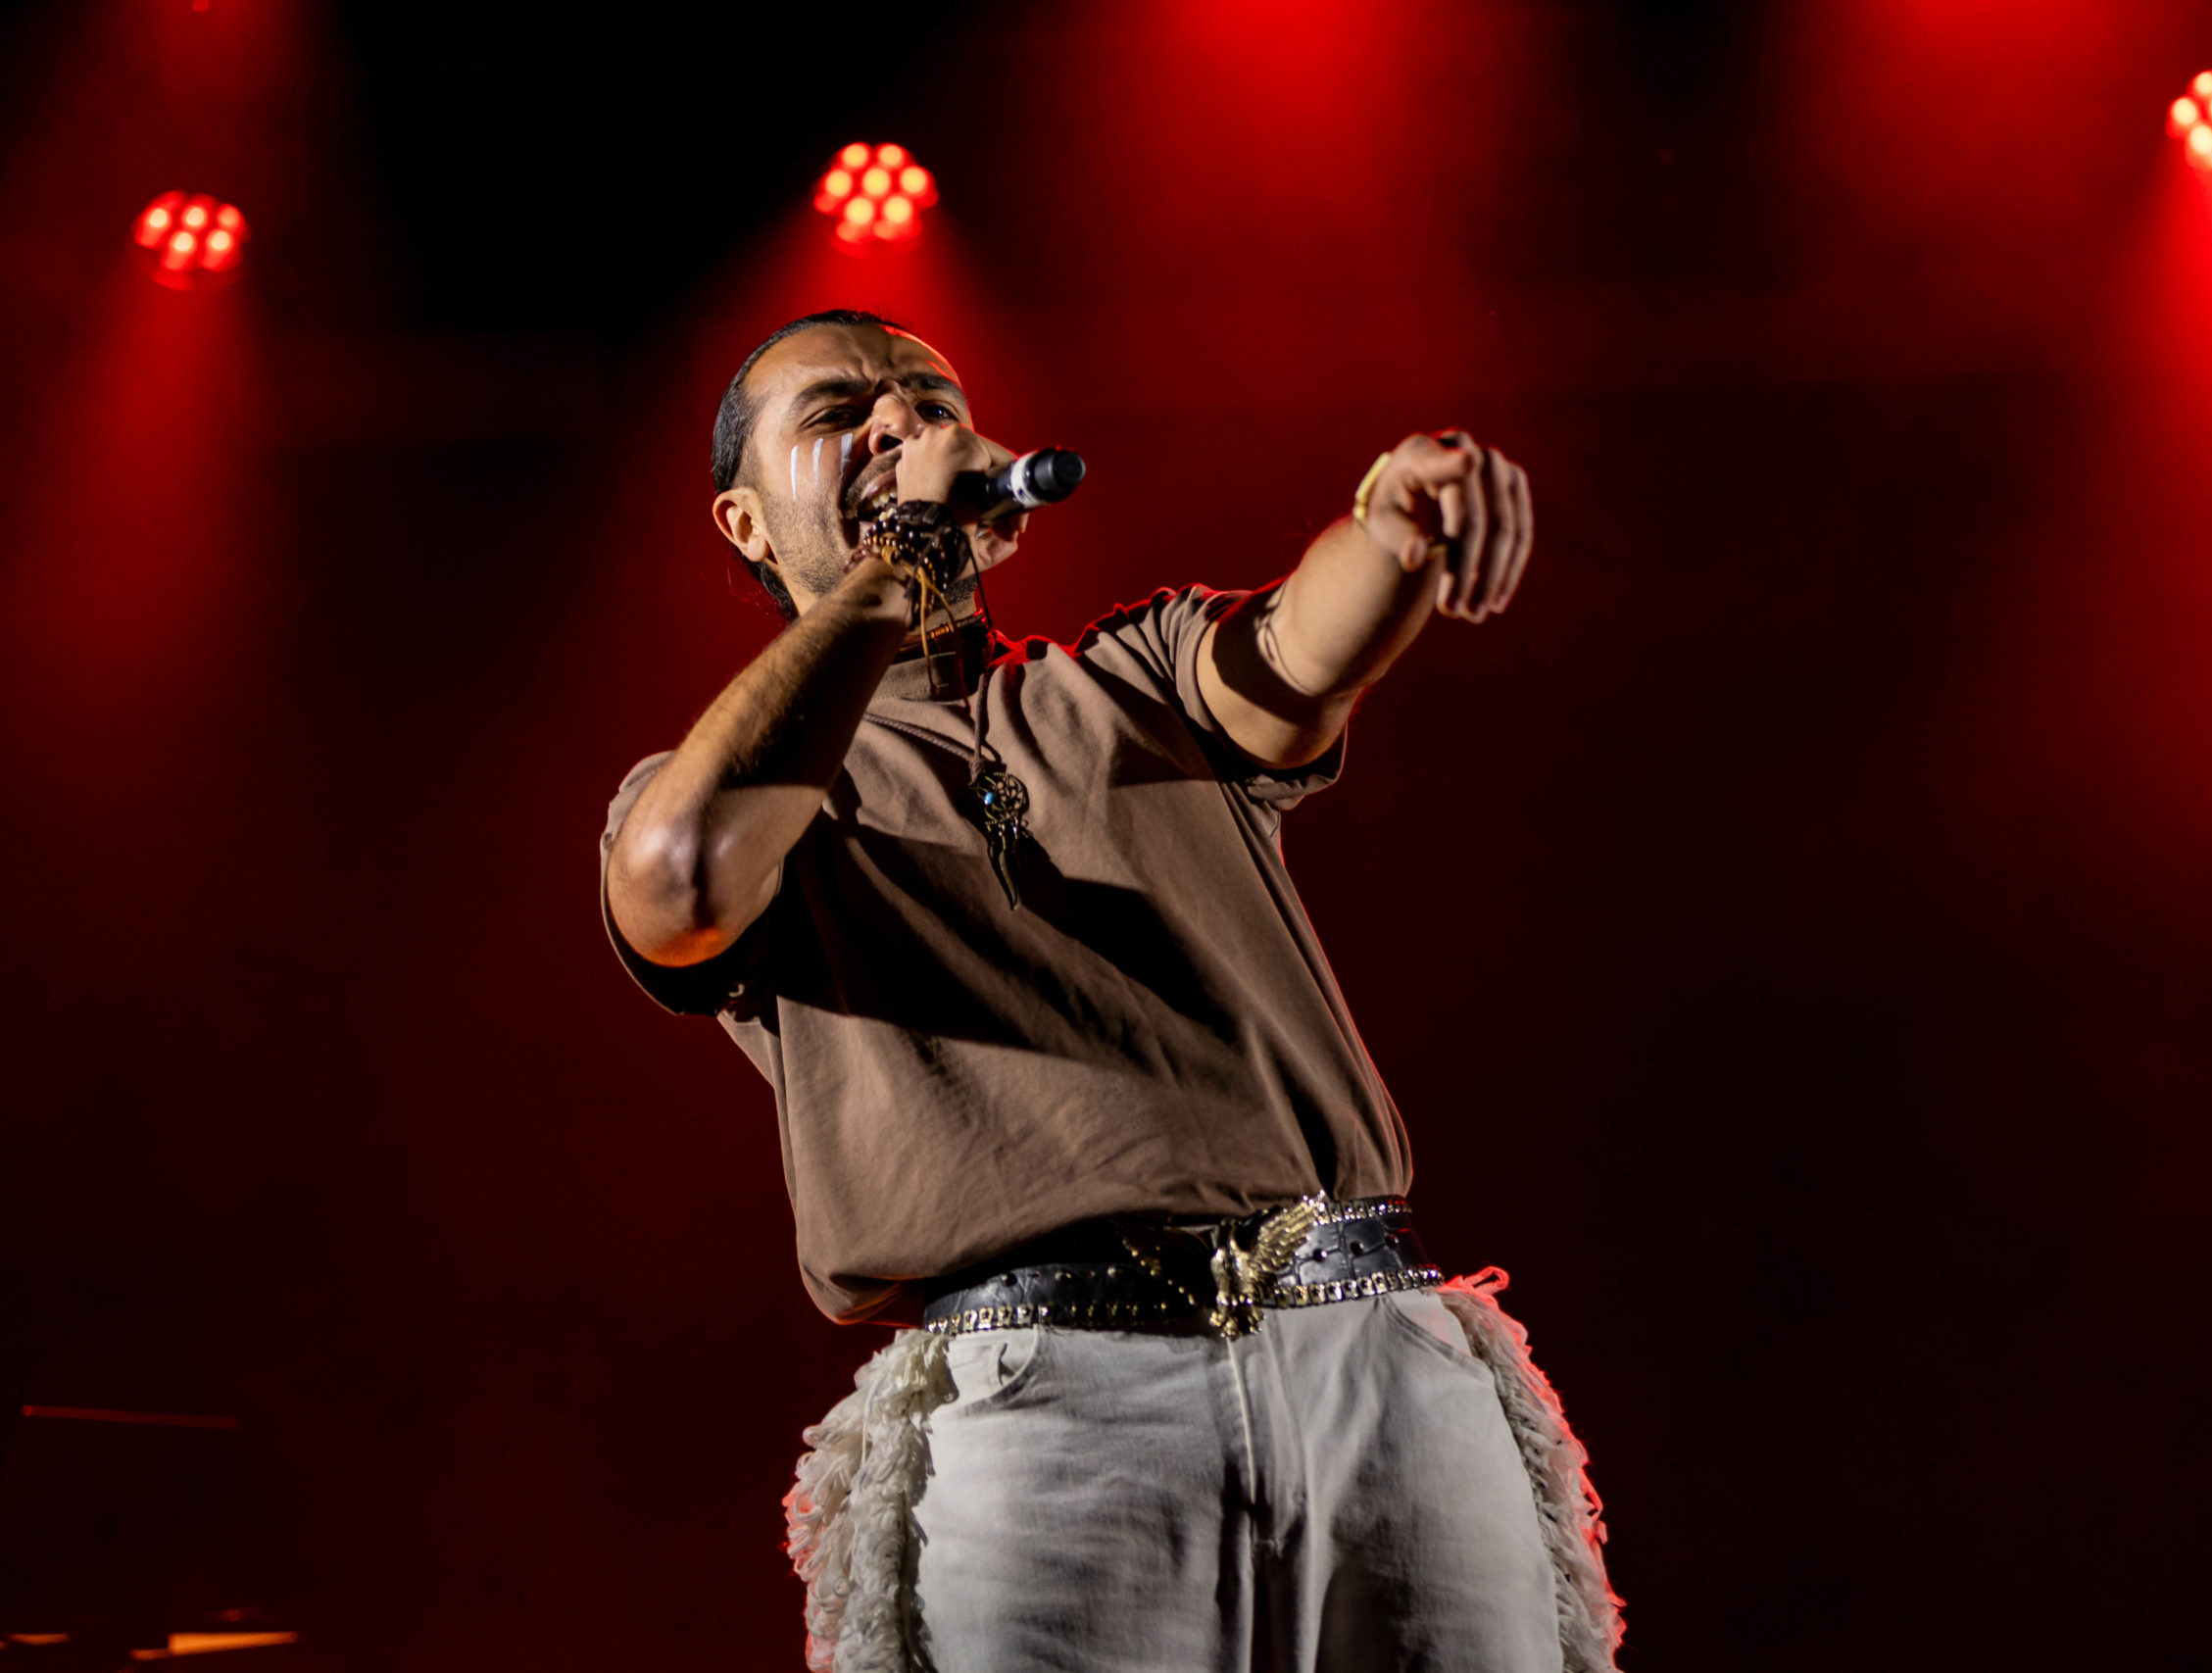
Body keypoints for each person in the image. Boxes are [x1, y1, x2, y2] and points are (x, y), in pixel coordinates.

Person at [599, 309, 1622, 1673]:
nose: (902, 424)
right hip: (1050, 1408)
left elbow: (1300, 651)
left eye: (929, 402)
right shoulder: (725, 794)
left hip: (1375, 1360)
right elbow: (681, 877)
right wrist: (896, 564)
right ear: (743, 523)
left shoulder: (1136, 677)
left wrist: (1392, 523)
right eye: (840, 413)